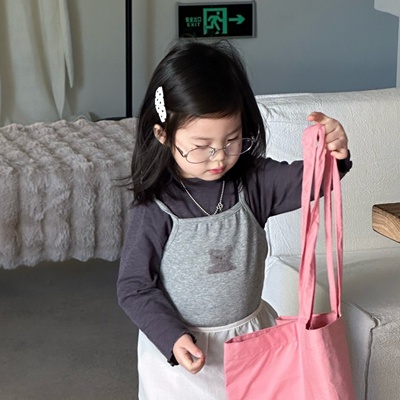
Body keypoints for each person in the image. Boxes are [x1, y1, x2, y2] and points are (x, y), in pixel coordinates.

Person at [117, 39, 352, 399]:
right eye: (201, 146)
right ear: (163, 135)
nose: (219, 157)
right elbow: (134, 286)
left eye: (232, 140)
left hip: (252, 341)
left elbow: (314, 180)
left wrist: (333, 152)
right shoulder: (156, 206)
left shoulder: (253, 182)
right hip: (182, 353)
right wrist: (171, 336)